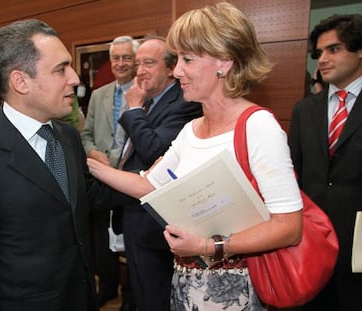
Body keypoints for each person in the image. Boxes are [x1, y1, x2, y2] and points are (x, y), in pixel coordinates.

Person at [87, 2, 303, 310]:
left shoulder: (258, 127)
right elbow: (150, 185)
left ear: (224, 63)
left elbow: (289, 226)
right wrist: (89, 166)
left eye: (187, 59)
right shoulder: (191, 130)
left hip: (235, 291)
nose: (176, 72)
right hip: (185, 286)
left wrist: (207, 246)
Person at [0, 19, 98, 311]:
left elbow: (82, 197)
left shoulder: (66, 135)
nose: (75, 78)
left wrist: (152, 179)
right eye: (60, 69)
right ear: (20, 81)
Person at [90, 36, 202, 311]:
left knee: (155, 293)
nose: (140, 71)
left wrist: (135, 108)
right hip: (133, 210)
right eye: (138, 64)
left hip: (155, 219)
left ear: (170, 68)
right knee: (141, 289)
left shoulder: (183, 102)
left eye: (149, 63)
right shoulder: (153, 100)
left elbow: (154, 150)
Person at [289, 13, 362, 311]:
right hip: (312, 238)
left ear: (359, 51)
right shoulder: (305, 109)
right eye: (319, 53)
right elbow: (293, 172)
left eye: (334, 49)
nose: (322, 59)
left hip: (358, 240)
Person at [81, 35, 139, 310]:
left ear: (136, 61)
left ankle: (131, 295)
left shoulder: (145, 93)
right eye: (116, 58)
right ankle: (106, 287)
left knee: (131, 239)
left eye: (127, 57)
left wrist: (113, 159)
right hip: (100, 177)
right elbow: (86, 135)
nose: (120, 63)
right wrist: (92, 153)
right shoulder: (98, 94)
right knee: (101, 239)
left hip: (131, 180)